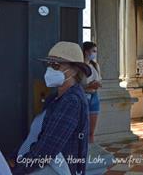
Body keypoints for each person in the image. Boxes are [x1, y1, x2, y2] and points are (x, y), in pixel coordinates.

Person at [10, 41, 90, 175]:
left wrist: (18, 170)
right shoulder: (53, 98)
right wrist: (14, 157)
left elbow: (47, 148)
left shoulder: (72, 101)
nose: (50, 70)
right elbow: (36, 136)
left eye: (56, 65)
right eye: (48, 64)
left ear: (75, 69)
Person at [83, 42, 102, 143]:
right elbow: (76, 86)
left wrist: (97, 84)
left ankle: (91, 150)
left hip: (94, 97)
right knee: (83, 129)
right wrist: (89, 86)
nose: (95, 53)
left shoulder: (95, 65)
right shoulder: (80, 66)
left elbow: (99, 80)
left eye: (96, 51)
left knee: (91, 132)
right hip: (84, 96)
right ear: (86, 52)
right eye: (93, 51)